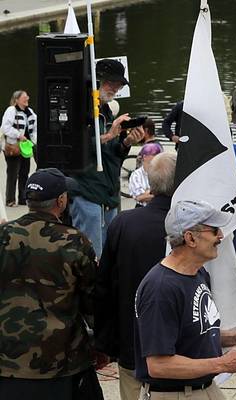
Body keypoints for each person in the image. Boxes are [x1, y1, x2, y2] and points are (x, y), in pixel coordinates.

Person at [135, 200, 236, 399]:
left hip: (203, 388)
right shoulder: (161, 289)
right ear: (190, 238)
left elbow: (194, 331)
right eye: (214, 230)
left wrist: (233, 338)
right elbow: (158, 365)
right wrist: (223, 364)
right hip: (174, 394)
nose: (220, 236)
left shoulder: (198, 274)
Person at [0, 168, 102, 398]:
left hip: (7, 363)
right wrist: (102, 344)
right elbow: (92, 301)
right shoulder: (74, 241)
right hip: (62, 364)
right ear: (61, 201)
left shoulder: (3, 234)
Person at [95, 153, 177, 400]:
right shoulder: (188, 225)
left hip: (132, 337)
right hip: (177, 344)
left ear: (151, 184)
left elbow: (104, 285)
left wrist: (104, 342)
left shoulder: (123, 223)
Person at [70, 58, 149, 257]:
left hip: (108, 193)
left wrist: (126, 142)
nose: (115, 88)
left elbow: (111, 153)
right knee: (90, 255)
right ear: (97, 81)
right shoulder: (79, 108)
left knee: (109, 255)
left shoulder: (106, 111)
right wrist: (109, 135)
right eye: (111, 83)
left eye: (119, 85)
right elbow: (74, 147)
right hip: (87, 191)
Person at [2, 90, 35, 207]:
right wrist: (18, 135)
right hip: (13, 147)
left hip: (25, 147)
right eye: (25, 97)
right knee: (12, 174)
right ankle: (10, 200)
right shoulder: (11, 110)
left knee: (24, 173)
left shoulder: (30, 112)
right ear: (17, 100)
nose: (27, 98)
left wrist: (34, 141)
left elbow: (35, 127)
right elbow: (5, 127)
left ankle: (22, 198)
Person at [128, 142, 164, 207]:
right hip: (142, 208)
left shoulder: (162, 172)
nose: (157, 157)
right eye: (154, 154)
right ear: (145, 157)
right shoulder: (136, 175)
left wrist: (147, 193)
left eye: (158, 154)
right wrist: (157, 194)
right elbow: (139, 198)